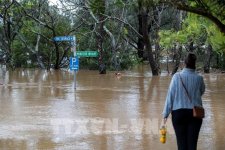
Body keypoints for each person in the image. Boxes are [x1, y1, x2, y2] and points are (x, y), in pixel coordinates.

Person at [162, 53, 205, 150]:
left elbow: (170, 96)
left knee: (181, 145)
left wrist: (165, 114)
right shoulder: (199, 78)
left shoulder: (176, 77)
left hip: (178, 113)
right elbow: (201, 91)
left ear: (184, 63)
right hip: (195, 114)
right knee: (192, 145)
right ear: (195, 63)